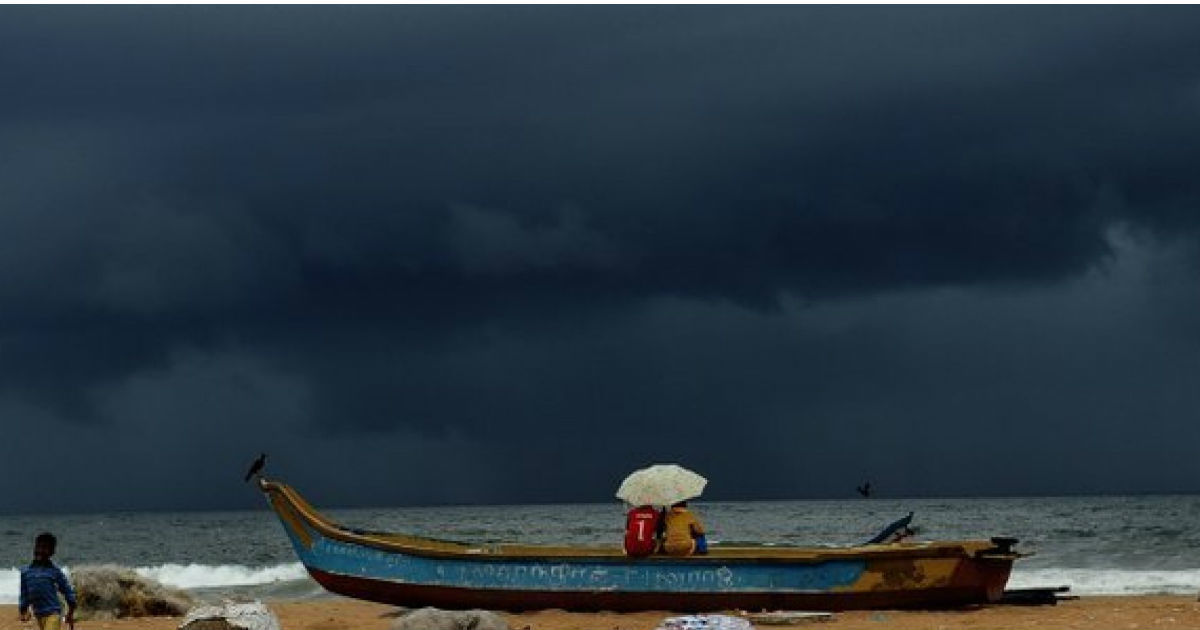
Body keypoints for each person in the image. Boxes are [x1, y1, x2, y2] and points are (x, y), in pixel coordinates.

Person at [19, 533, 76, 630]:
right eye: (38, 547)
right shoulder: (26, 572)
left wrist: (70, 611)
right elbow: (24, 594)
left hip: (53, 613)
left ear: (52, 552)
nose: (40, 551)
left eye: (45, 548)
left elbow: (67, 590)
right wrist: (23, 609)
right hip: (38, 614)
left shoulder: (54, 571)